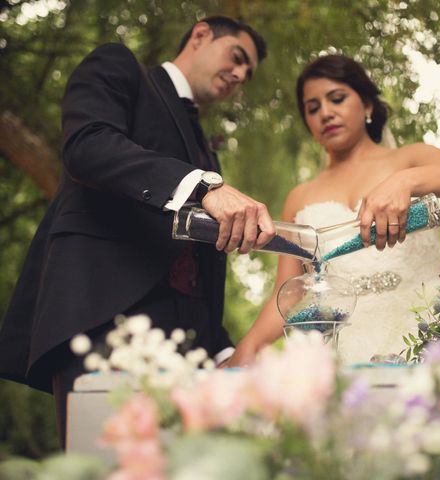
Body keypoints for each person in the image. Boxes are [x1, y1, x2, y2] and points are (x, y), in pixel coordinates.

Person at [0, 15, 275, 447]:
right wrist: (201, 186)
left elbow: (197, 271)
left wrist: (223, 352)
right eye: (237, 57)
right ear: (200, 34)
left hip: (189, 357)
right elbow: (88, 144)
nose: (240, 75)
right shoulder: (120, 67)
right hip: (104, 327)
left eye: (248, 74)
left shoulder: (208, 155)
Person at [226, 54, 440, 367]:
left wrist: (405, 181)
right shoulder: (299, 197)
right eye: (312, 108)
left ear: (367, 105)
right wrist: (245, 350)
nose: (325, 113)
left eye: (337, 99)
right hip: (346, 352)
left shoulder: (410, 159)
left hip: (427, 336)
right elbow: (289, 293)